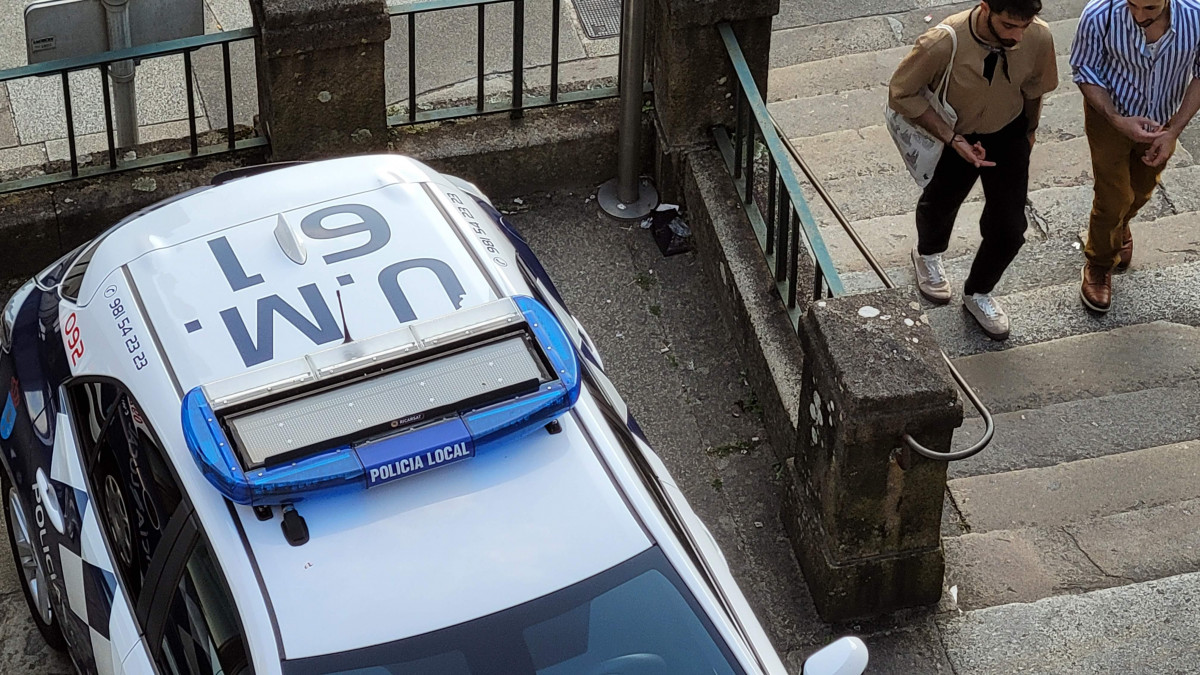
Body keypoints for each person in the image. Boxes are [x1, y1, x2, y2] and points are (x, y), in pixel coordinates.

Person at [889, 0, 1058, 341]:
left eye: (1025, 26)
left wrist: (1029, 133)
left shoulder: (1037, 37)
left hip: (1008, 131)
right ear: (986, 9)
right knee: (940, 202)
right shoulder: (942, 41)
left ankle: (979, 291)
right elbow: (901, 92)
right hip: (954, 131)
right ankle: (928, 253)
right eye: (1010, 25)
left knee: (1011, 227)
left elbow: (1035, 89)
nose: (1019, 36)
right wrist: (952, 138)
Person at [1071, 0, 1200, 312]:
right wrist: (1115, 118)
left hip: (1162, 121)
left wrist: (1173, 132)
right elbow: (1085, 69)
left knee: (1141, 190)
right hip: (1110, 119)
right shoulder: (1099, 15)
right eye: (1132, 5)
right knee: (1112, 196)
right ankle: (1099, 264)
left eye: (1149, 8)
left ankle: (1119, 225)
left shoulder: (1196, 17)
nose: (1139, 16)